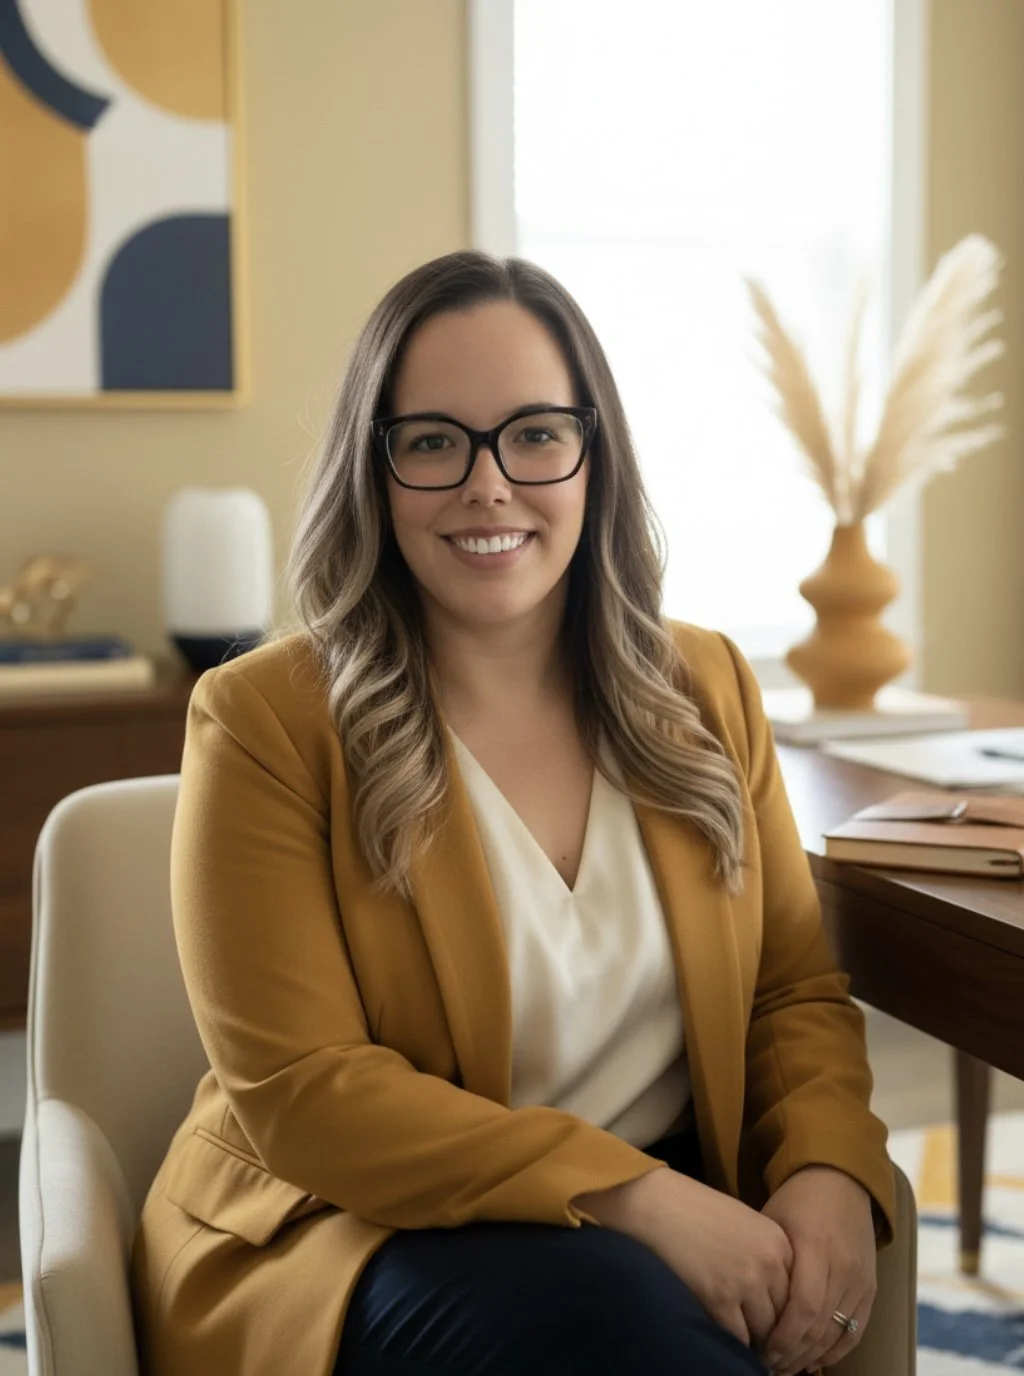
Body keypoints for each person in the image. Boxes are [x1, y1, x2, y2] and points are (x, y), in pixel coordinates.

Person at [130, 250, 896, 1376]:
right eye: (433, 441)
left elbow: (789, 992)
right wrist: (633, 1197)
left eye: (535, 433)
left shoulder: (709, 686)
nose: (488, 484)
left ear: (594, 453)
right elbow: (306, 1092)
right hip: (358, 1225)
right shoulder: (263, 720)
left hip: (657, 1213)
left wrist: (829, 1167)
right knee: (611, 1315)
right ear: (375, 470)